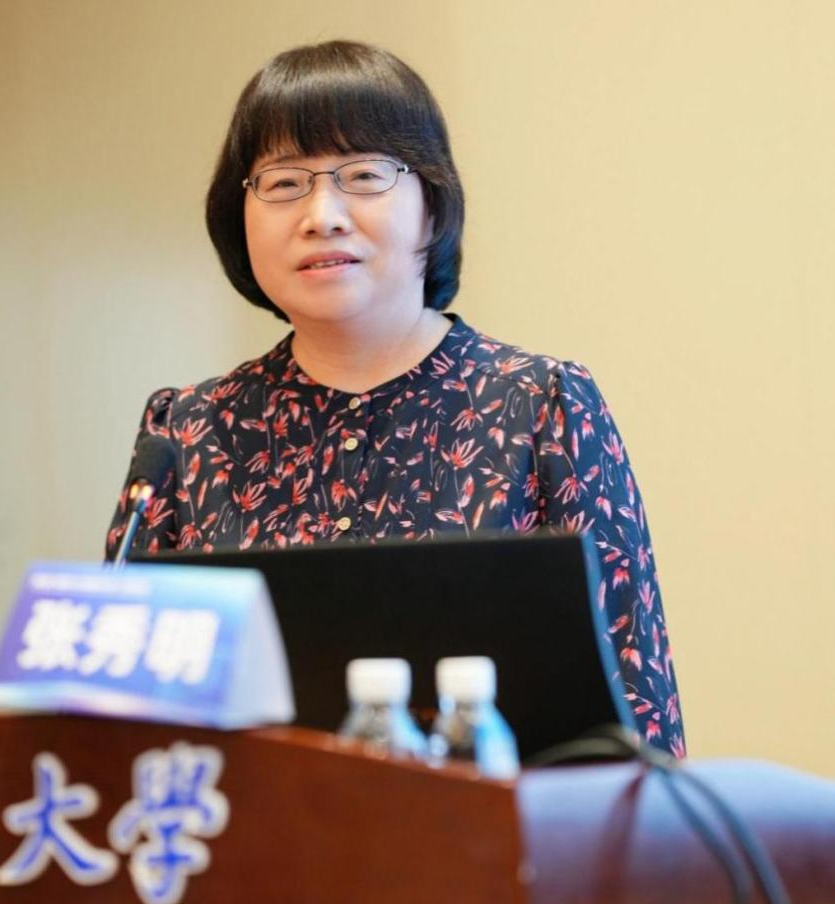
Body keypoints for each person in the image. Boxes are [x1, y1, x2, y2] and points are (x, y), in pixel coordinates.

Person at [106, 40, 685, 756]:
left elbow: (637, 712)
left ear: (432, 208)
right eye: (283, 183)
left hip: (499, 824)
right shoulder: (186, 429)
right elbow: (116, 714)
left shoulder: (539, 405)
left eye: (364, 175)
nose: (322, 214)